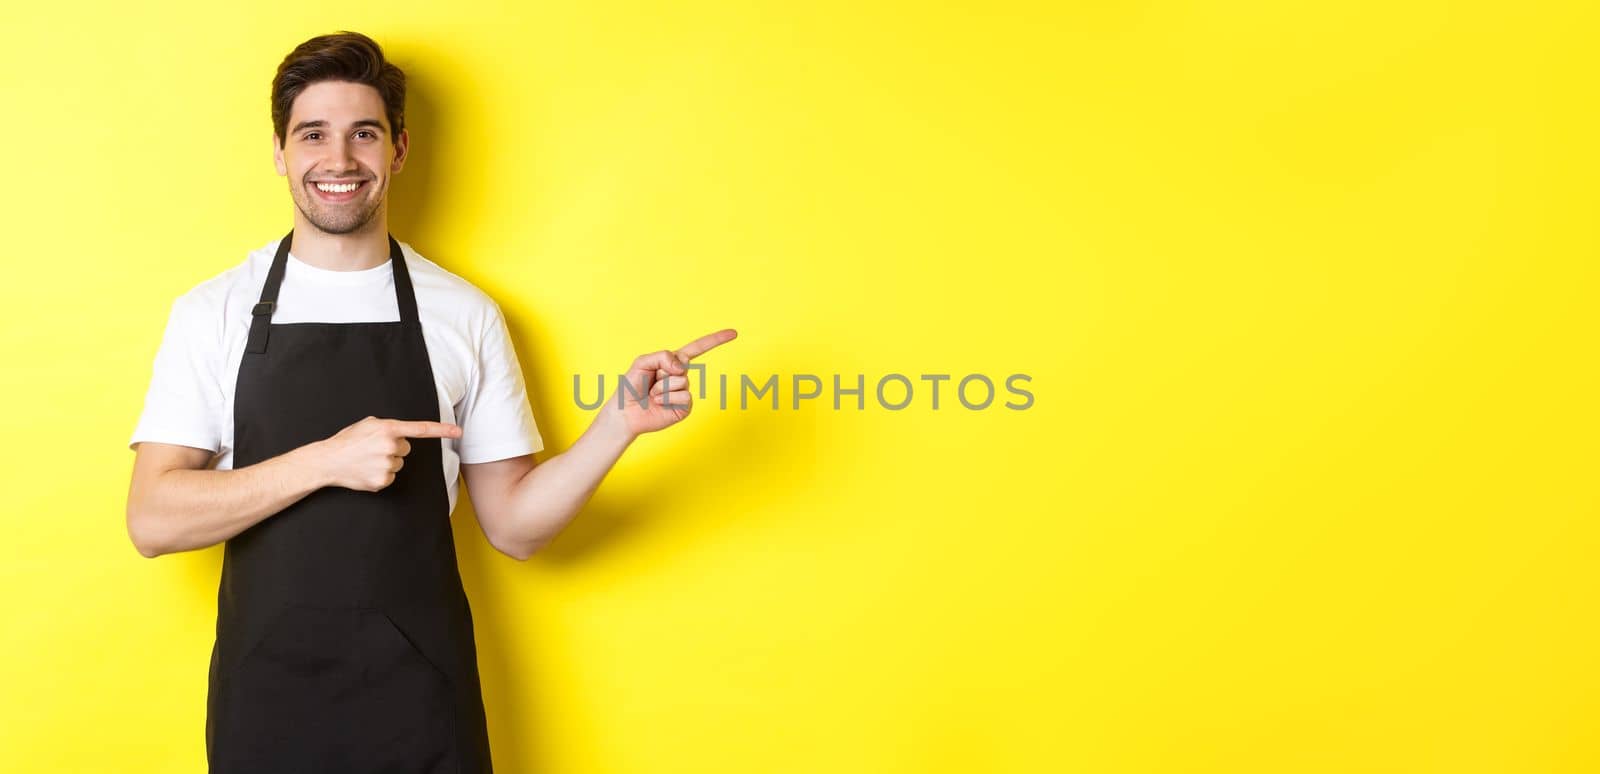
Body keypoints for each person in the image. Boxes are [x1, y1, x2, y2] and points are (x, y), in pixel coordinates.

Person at [124, 30, 735, 774]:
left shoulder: (463, 314)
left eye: (365, 134)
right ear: (281, 152)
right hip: (266, 702)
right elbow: (152, 519)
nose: (339, 160)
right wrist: (325, 460)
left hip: (420, 703)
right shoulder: (213, 312)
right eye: (313, 134)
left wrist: (617, 426)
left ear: (399, 151)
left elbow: (514, 527)